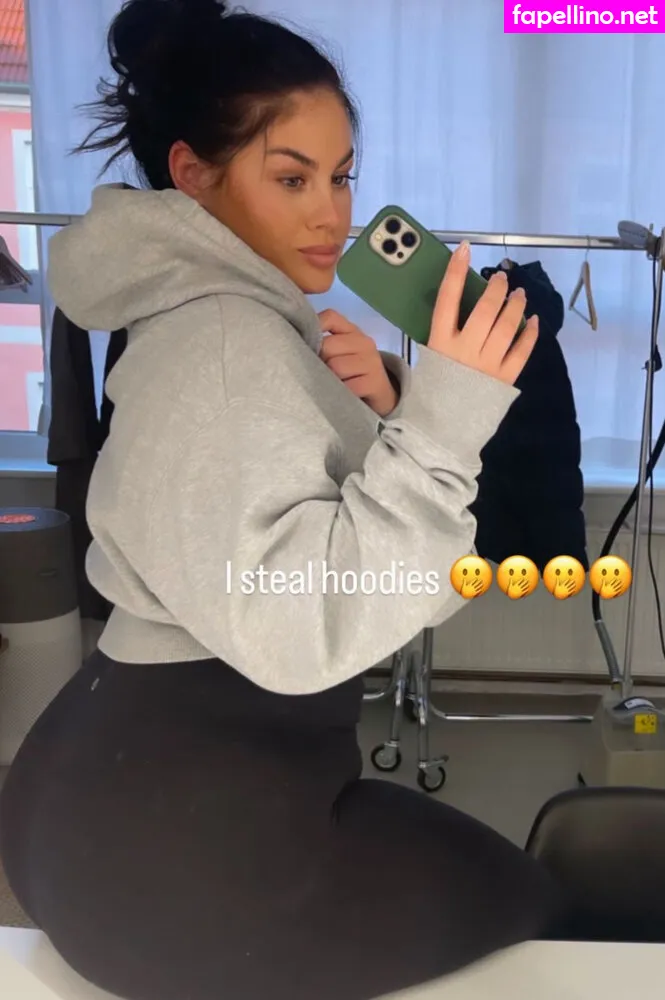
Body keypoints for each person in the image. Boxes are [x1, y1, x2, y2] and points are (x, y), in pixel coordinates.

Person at [0, 2, 560, 999]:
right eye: (292, 178)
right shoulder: (226, 341)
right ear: (192, 174)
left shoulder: (223, 323)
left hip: (120, 802)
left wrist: (395, 414)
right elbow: (300, 619)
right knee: (535, 908)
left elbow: (323, 549)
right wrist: (439, 425)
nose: (332, 215)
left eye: (341, 176)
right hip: (177, 851)